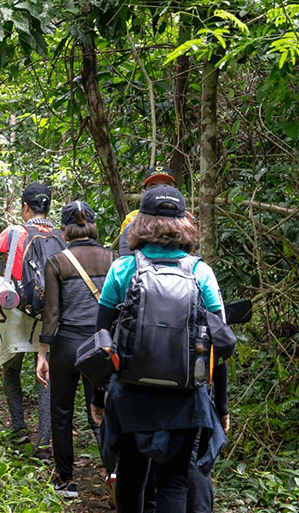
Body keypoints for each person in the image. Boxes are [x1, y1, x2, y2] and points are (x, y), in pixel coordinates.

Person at [96, 185, 228, 512]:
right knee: (174, 482)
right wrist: (221, 406)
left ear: (140, 222)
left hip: (130, 394)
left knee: (131, 476)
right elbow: (220, 344)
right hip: (186, 399)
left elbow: (100, 339)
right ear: (184, 223)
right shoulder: (201, 272)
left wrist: (99, 396)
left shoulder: (123, 269)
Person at [36, 200, 116, 499]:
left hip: (67, 346)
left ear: (64, 229)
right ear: (92, 226)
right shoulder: (114, 259)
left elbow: (52, 313)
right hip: (102, 347)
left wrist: (42, 353)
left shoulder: (57, 262)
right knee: (103, 412)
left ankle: (66, 480)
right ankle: (114, 473)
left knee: (61, 412)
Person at [0, 182, 54, 458]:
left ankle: (20, 429)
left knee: (11, 370)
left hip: (15, 309)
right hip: (48, 314)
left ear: (25, 208)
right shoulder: (59, 235)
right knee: (45, 377)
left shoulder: (15, 232)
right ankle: (45, 442)